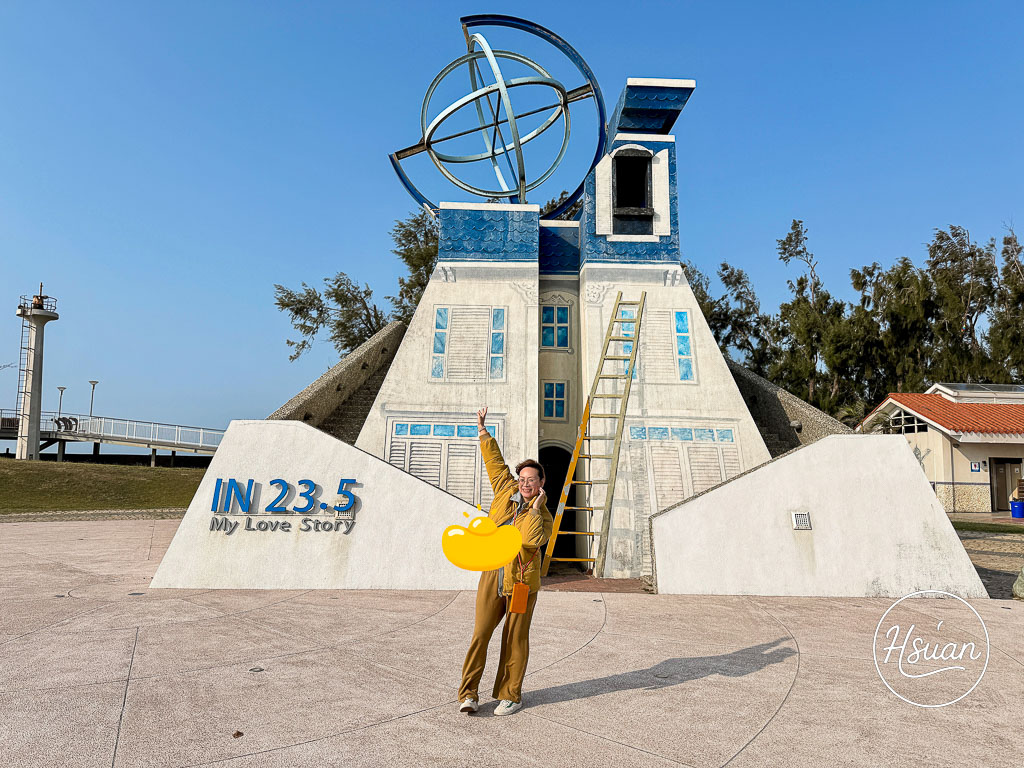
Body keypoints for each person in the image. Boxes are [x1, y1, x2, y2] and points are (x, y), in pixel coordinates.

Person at [458, 406, 553, 716]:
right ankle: (468, 693)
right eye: (522, 478)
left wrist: (535, 509)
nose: (525, 484)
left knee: (515, 639)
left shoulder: (544, 515)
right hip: (492, 574)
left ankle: (510, 694)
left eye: (532, 480)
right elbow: (494, 463)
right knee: (481, 633)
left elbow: (530, 541)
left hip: (522, 582)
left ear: (541, 483)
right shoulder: (505, 490)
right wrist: (483, 430)